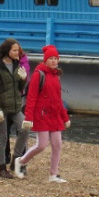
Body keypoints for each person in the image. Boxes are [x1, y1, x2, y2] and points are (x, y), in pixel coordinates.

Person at [14, 45, 70, 183]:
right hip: (42, 115)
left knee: (57, 144)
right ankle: (20, 161)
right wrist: (29, 118)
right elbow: (31, 97)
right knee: (42, 145)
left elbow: (58, 99)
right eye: (51, 58)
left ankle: (53, 175)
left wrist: (65, 117)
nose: (54, 61)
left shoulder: (56, 76)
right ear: (45, 60)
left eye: (56, 59)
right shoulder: (39, 74)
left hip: (55, 115)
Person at [0, 38, 29, 179]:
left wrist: (24, 80)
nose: (18, 53)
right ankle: (1, 168)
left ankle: (16, 159)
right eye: (15, 50)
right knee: (2, 137)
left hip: (15, 106)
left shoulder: (17, 64)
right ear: (7, 51)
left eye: (18, 50)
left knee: (25, 127)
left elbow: (19, 88)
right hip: (1, 108)